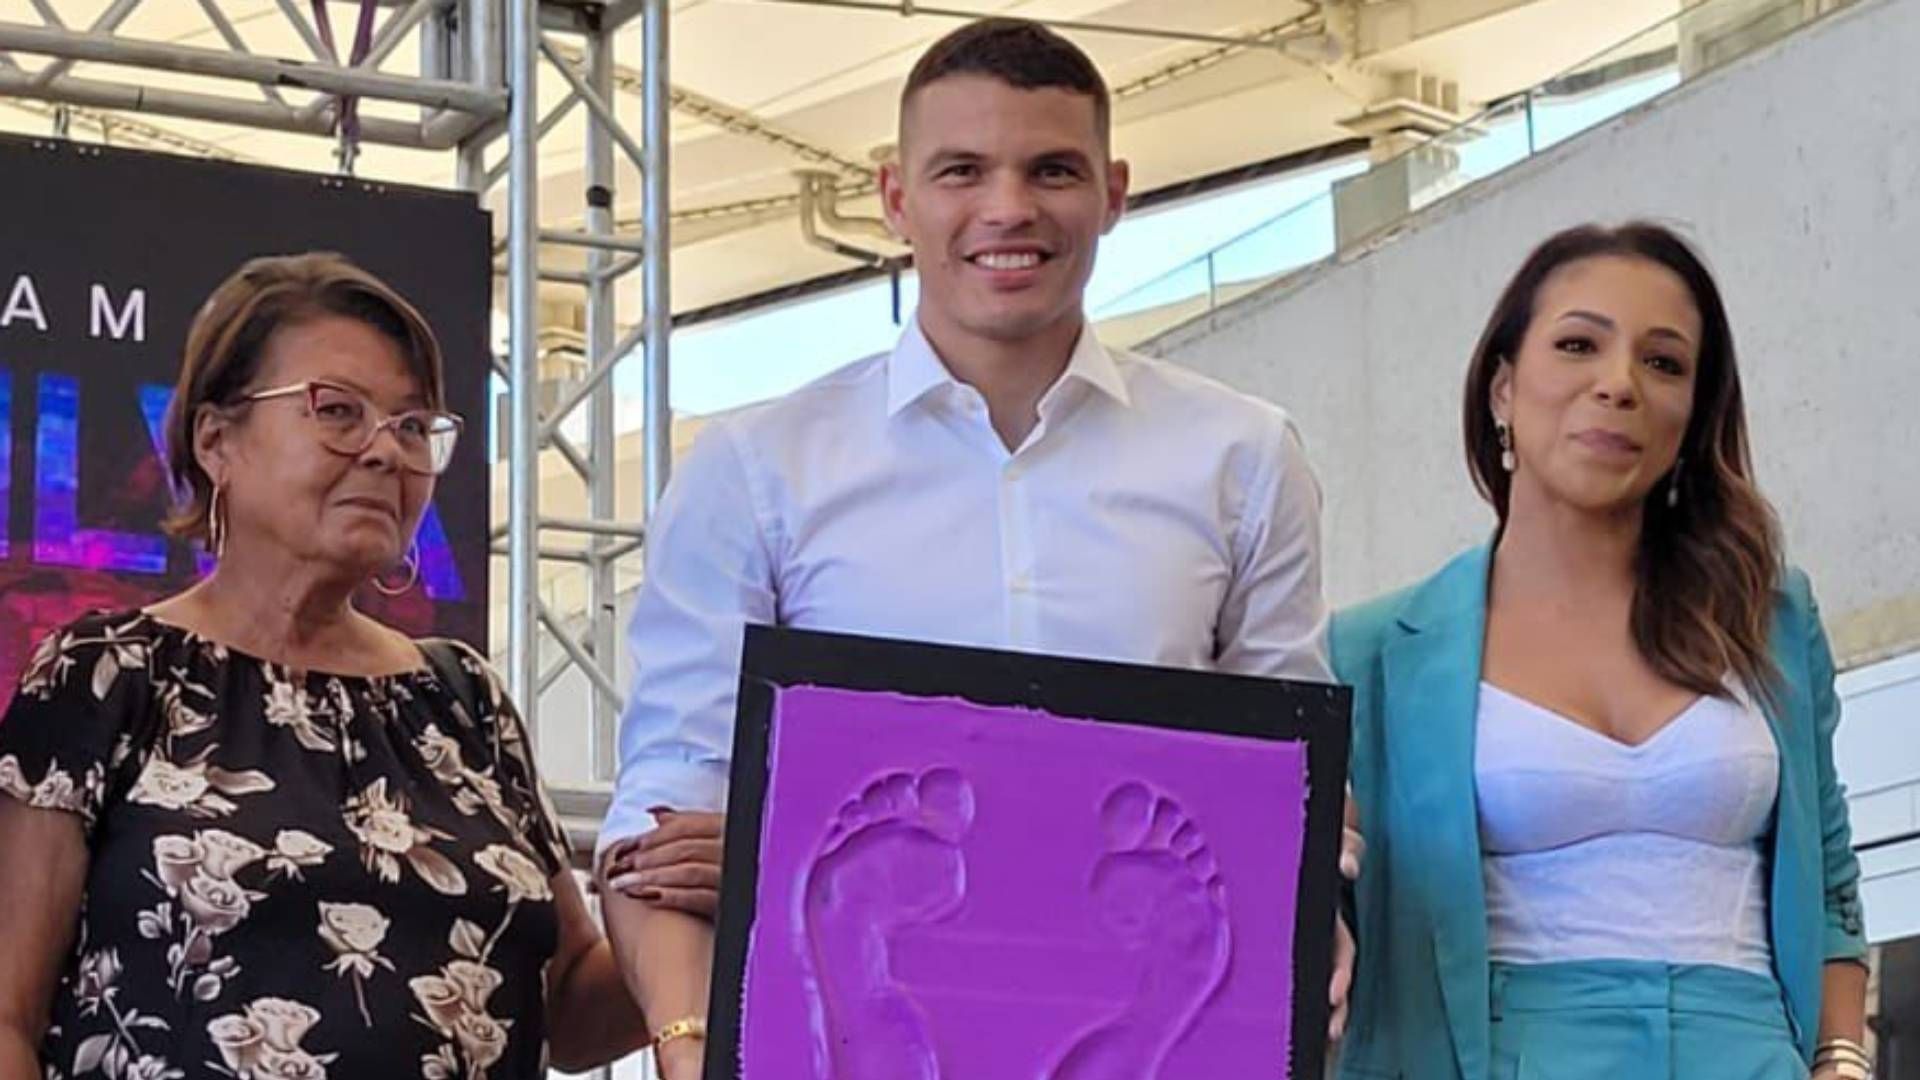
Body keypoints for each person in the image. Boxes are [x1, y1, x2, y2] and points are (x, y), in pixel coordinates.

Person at [597, 17, 1356, 1079]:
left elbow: (1291, 773)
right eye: (963, 171)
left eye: (1053, 170)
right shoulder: (758, 467)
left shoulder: (1242, 457)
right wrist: (689, 1058)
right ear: (896, 197)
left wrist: (1314, 893)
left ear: (1115, 191)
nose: (1010, 209)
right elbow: (665, 823)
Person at [0, 253, 646, 1078]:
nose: (386, 453)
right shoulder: (107, 675)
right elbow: (7, 1015)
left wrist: (734, 885)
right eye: (337, 412)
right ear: (216, 439)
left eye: (413, 426)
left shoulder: (462, 697)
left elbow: (572, 1017)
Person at [1332, 223, 1871, 1080]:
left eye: (1664, 363)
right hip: (1502, 1052)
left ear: (1693, 416)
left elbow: (1831, 874)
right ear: (1503, 387)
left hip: (1753, 1046)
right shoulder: (1374, 652)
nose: (1618, 385)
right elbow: (1334, 904)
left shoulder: (1770, 616)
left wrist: (1842, 1060)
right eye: (1579, 344)